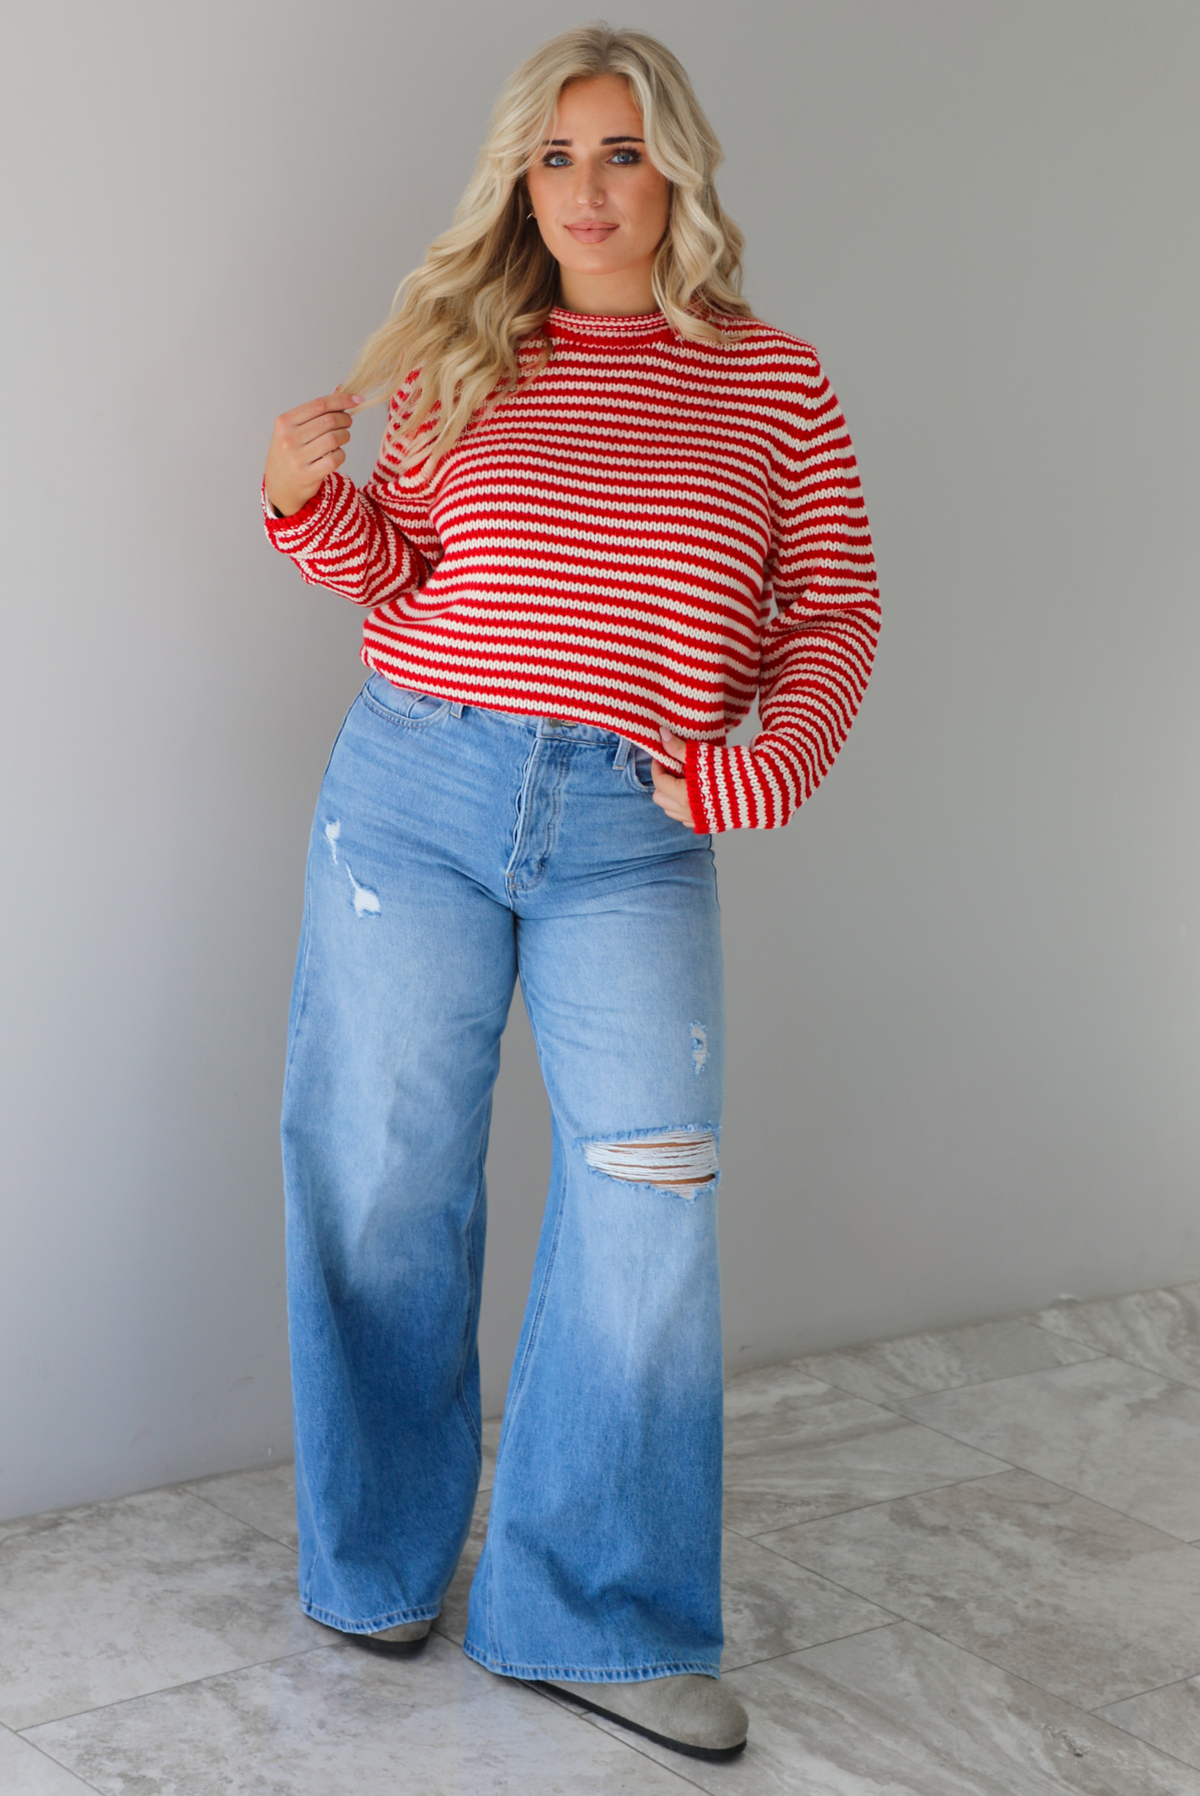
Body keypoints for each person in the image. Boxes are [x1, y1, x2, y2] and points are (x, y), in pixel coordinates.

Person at [261, 23, 879, 1764]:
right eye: (555, 157)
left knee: (646, 1195)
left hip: (632, 823)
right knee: (380, 1175)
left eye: (619, 152)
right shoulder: (472, 350)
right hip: (413, 790)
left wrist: (763, 768)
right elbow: (398, 564)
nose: (588, 189)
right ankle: (374, 1570)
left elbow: (830, 615)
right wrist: (303, 505)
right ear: (517, 182)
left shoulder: (775, 383)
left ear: (675, 165)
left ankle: (588, 1620)